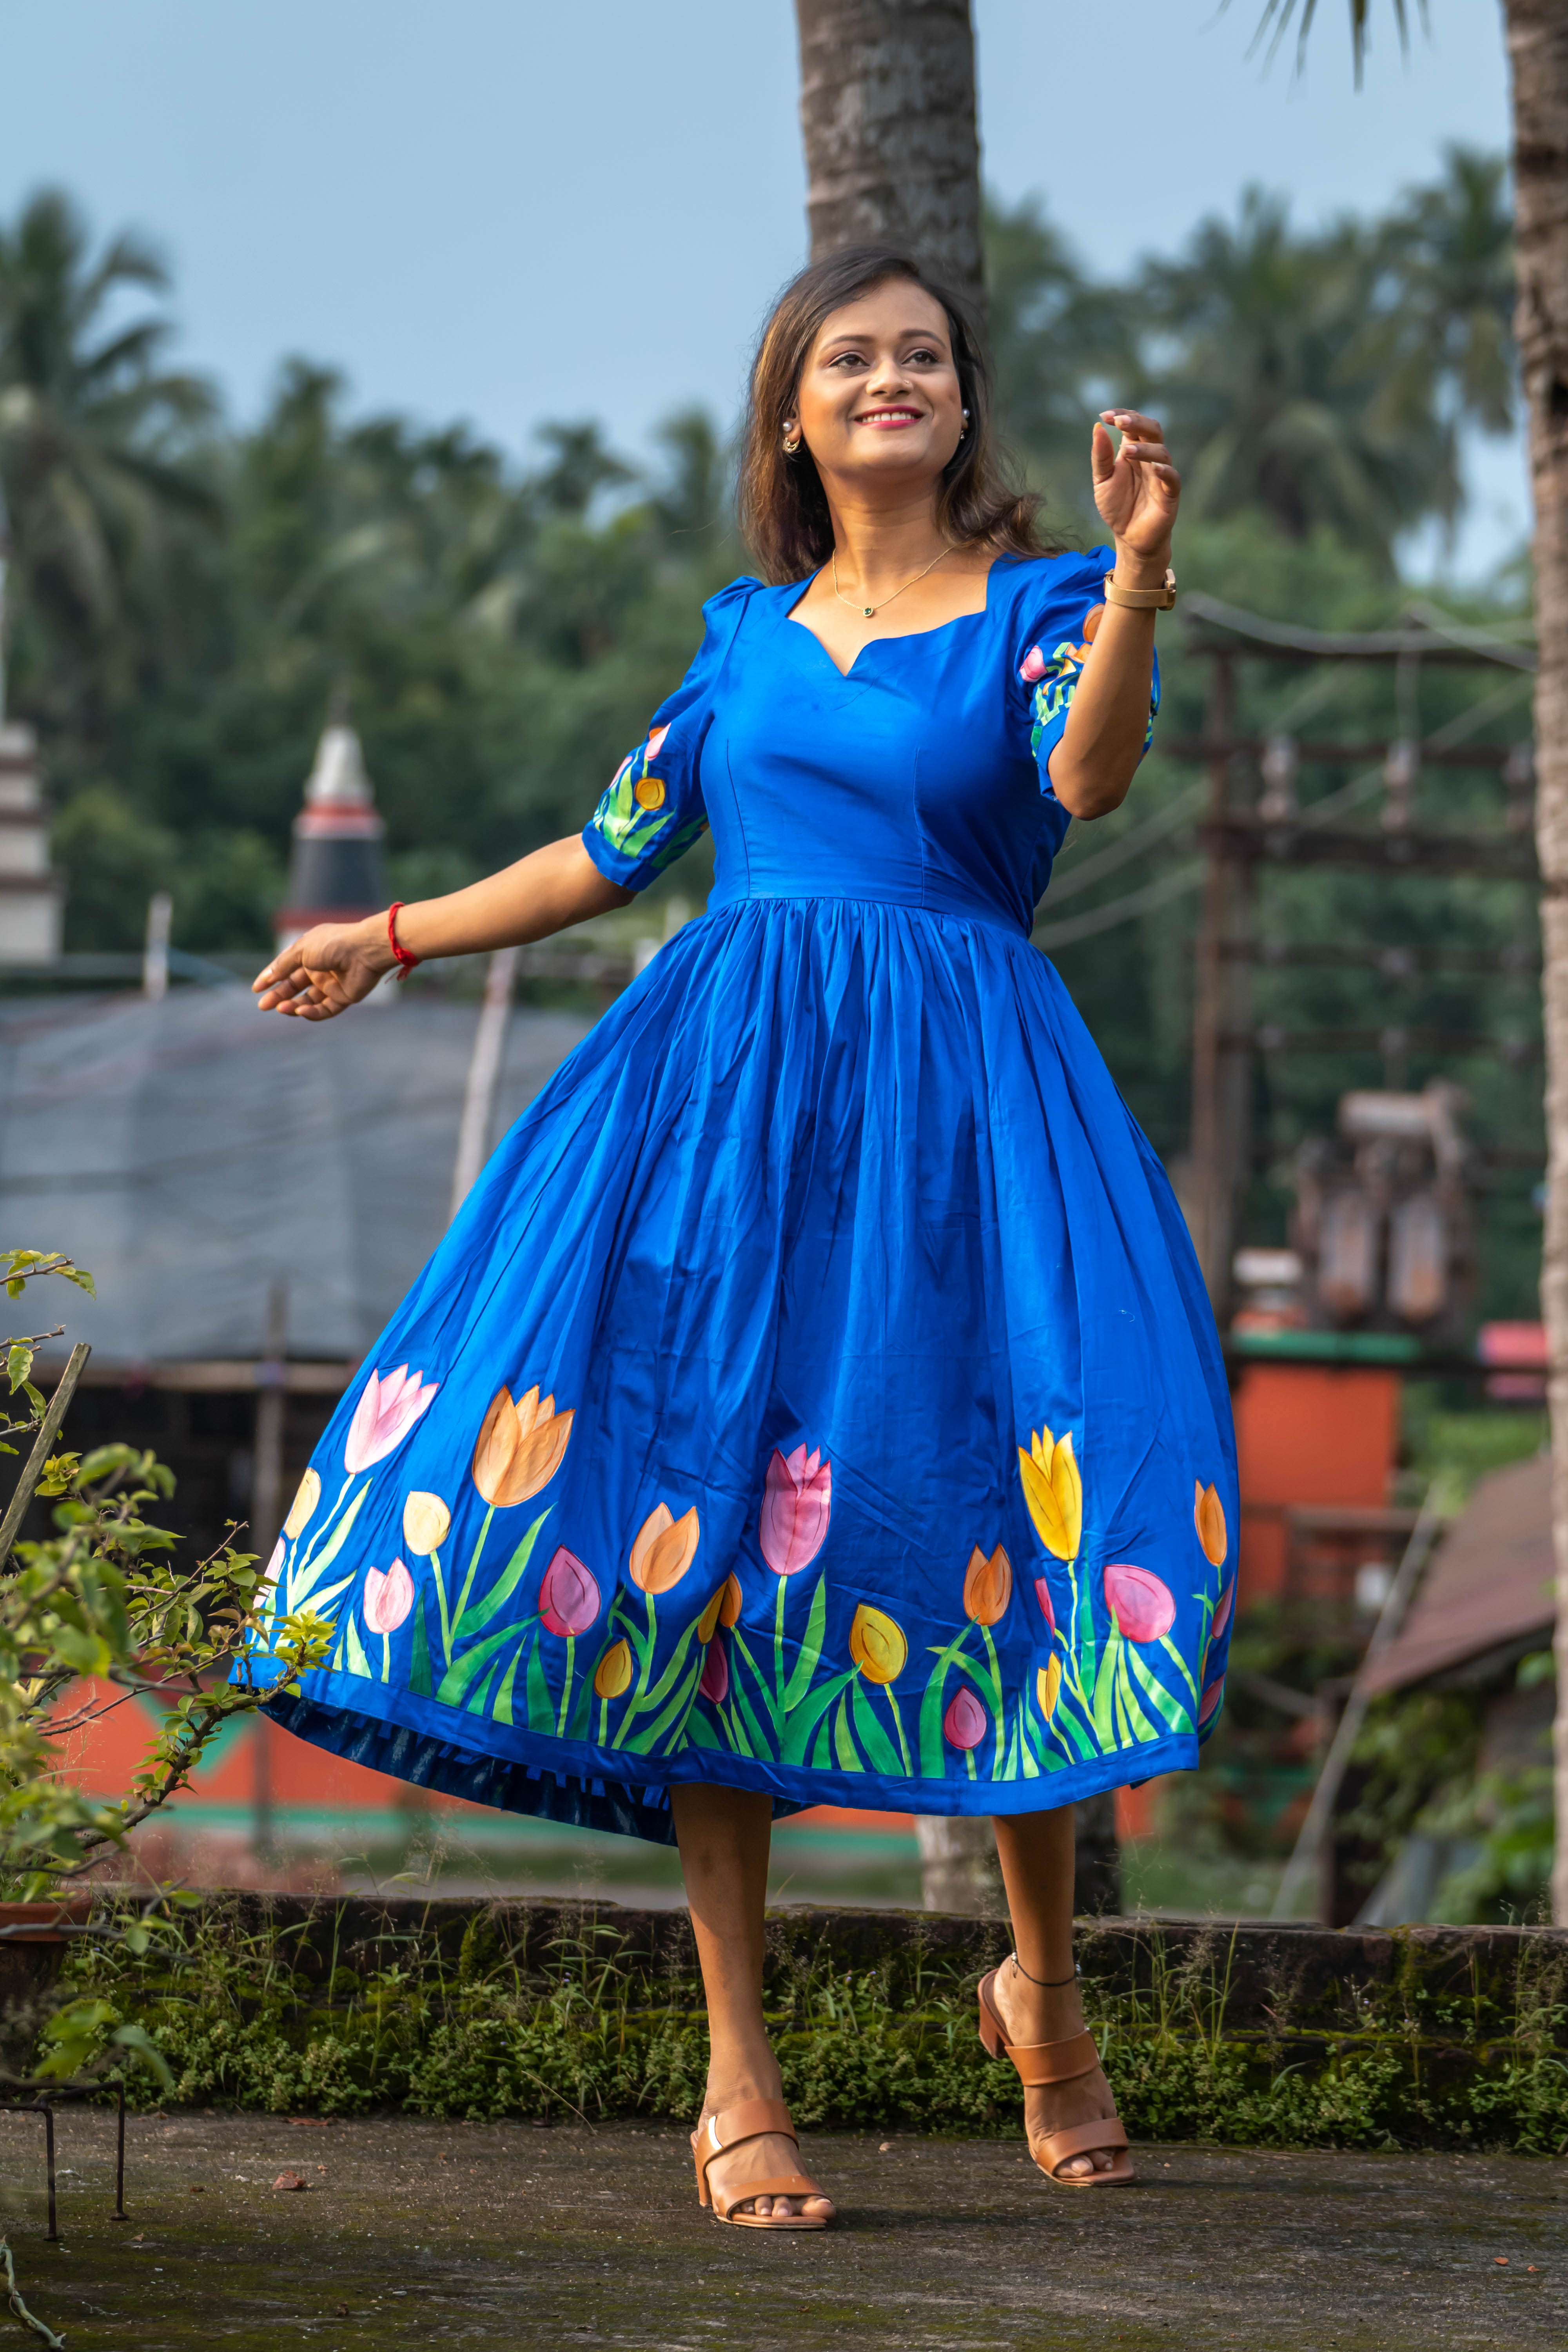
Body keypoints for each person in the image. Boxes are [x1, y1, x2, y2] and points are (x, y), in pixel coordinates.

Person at [250, 245, 1236, 2228]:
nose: (894, 379)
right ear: (793, 409)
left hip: (969, 1124)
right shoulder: (745, 641)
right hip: (727, 1125)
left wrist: (1134, 575)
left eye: (927, 357)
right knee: (702, 1527)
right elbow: (601, 850)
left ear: (967, 406)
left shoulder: (1049, 605)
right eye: (851, 357)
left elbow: (1088, 777)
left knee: (1029, 1513)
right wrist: (391, 930)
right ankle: (736, 2065)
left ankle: (1041, 1986)